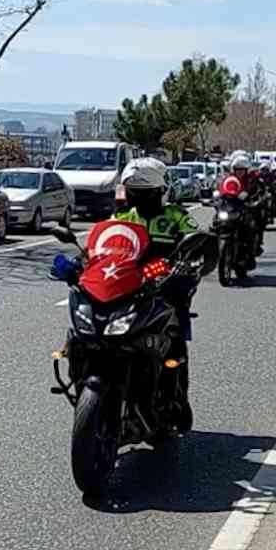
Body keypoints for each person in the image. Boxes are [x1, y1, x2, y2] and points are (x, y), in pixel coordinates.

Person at [111, 157, 199, 427]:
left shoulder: (176, 215)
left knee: (173, 340)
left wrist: (188, 262)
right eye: (133, 191)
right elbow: (101, 245)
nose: (136, 197)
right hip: (126, 289)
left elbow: (198, 241)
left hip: (166, 289)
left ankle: (178, 398)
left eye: (141, 192)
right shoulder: (121, 217)